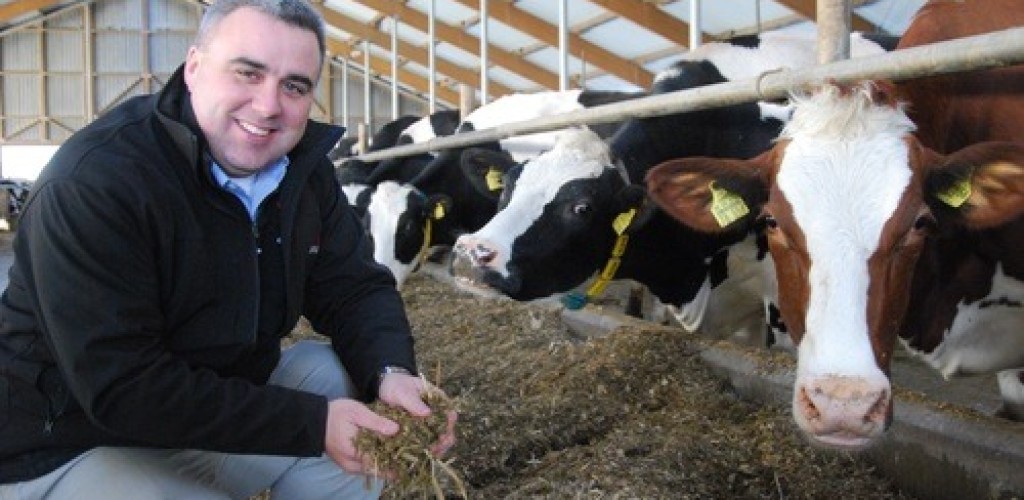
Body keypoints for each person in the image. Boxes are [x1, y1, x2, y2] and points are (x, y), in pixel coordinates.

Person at [0, 0, 455, 498]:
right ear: (194, 68)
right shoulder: (96, 184)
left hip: (206, 414)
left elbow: (354, 289)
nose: (268, 106)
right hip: (70, 438)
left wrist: (392, 373)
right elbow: (123, 387)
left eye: (294, 85)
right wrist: (312, 423)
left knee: (338, 374)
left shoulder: (302, 175)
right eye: (247, 73)